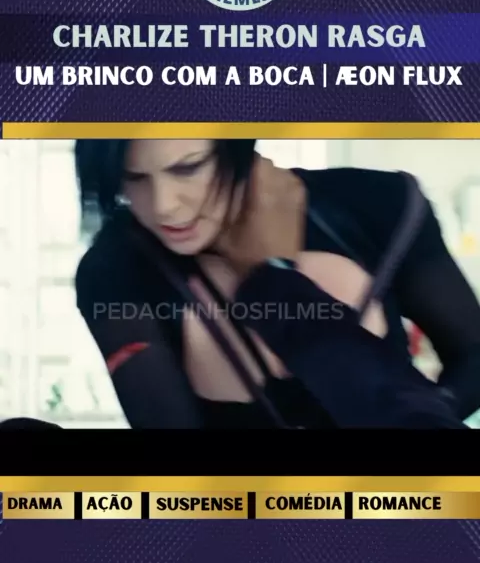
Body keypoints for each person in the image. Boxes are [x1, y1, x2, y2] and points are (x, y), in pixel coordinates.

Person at [74, 139, 480, 428]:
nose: (163, 205)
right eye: (132, 177)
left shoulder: (380, 205)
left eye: (189, 167)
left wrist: (268, 273)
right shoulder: (117, 267)